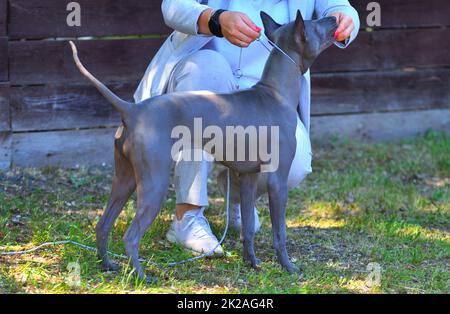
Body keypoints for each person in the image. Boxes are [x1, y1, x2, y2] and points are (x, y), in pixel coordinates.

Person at [134, 0, 360, 255]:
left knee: (294, 162)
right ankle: (187, 216)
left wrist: (345, 19)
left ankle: (239, 201)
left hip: (266, 98)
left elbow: (340, 7)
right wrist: (215, 19)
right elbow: (173, 6)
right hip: (208, 73)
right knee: (206, 72)